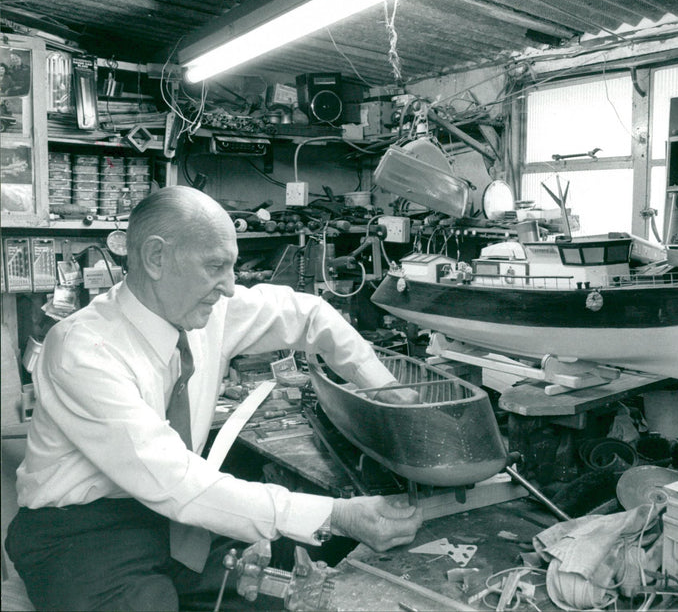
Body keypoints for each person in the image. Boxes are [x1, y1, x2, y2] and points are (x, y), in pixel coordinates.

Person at [5, 185, 423, 611]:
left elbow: (308, 314)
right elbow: (177, 482)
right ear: (155, 258)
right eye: (215, 267)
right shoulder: (82, 349)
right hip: (81, 532)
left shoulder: (203, 310)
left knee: (288, 580)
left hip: (169, 515)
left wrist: (385, 391)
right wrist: (337, 513)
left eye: (232, 267)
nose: (228, 287)